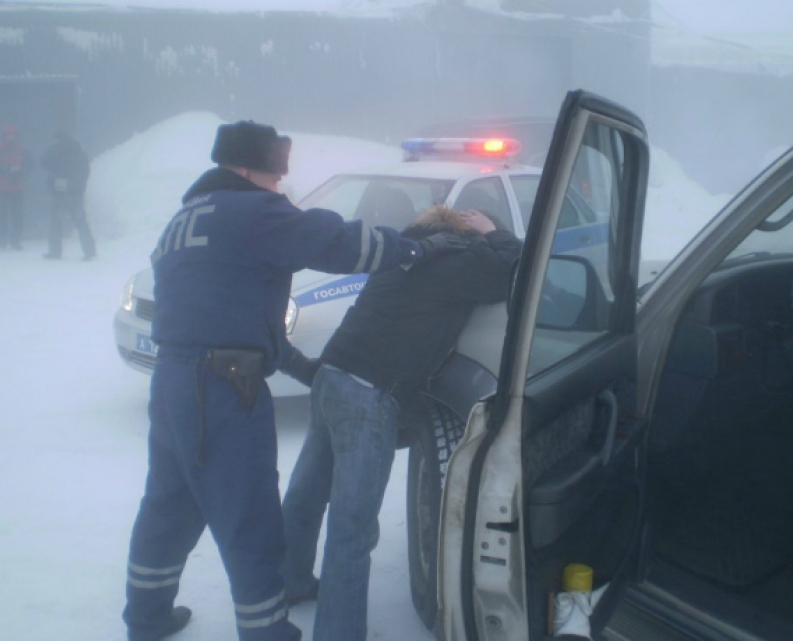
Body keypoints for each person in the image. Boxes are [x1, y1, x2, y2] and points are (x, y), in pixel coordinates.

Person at [121, 119, 468, 641]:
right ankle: (265, 631)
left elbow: (225, 310)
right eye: (274, 173)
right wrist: (414, 249)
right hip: (223, 390)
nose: (280, 185)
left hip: (174, 382)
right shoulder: (252, 210)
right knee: (250, 512)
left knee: (168, 503)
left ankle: (146, 618)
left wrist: (297, 364)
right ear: (245, 168)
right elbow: (338, 243)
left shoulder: (186, 218)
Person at [281, 205, 523, 641]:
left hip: (332, 376)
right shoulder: (456, 262)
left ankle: (288, 581)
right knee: (353, 527)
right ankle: (339, 632)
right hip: (368, 394)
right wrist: (491, 231)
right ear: (463, 231)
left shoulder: (404, 254)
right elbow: (511, 266)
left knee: (307, 492)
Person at [40, 130, 96, 260]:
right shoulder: (79, 152)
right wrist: (78, 186)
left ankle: (55, 251)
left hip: (62, 192)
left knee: (57, 222)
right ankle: (89, 252)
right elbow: (85, 172)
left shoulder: (57, 152)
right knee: (80, 222)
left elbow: (43, 161)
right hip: (74, 193)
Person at [0, 123, 32, 250]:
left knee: (17, 217)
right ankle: (2, 241)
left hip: (17, 187)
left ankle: (15, 242)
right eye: (8, 135)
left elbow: (30, 165)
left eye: (12, 135)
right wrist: (6, 170)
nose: (10, 137)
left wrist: (21, 171)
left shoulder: (23, 149)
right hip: (2, 187)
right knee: (2, 216)